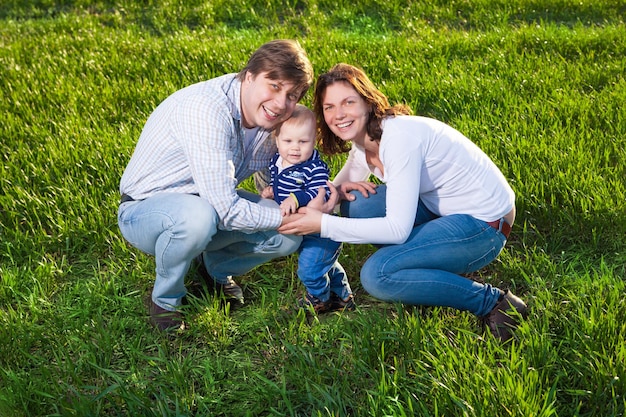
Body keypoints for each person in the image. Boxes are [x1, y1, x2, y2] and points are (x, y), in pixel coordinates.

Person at [279, 63, 528, 342]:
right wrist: (299, 202)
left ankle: (494, 304)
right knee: (356, 202)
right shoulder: (364, 141)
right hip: (440, 211)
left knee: (378, 275)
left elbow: (396, 229)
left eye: (348, 102)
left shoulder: (399, 138)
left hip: (485, 226)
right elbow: (332, 192)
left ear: (367, 102)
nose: (339, 115)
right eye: (329, 107)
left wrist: (323, 224)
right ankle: (421, 271)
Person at [118, 39, 326, 331]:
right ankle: (165, 300)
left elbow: (275, 170)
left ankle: (215, 268)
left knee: (290, 238)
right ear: (249, 75)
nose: (281, 103)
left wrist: (295, 204)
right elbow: (225, 210)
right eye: (274, 86)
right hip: (145, 211)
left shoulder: (275, 118)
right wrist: (286, 217)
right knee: (199, 218)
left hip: (211, 202)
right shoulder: (206, 110)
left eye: (292, 95)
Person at [260, 104, 354, 313]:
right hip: (304, 228)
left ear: (314, 141)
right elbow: (282, 185)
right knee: (324, 264)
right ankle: (342, 296)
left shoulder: (314, 168)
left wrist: (295, 197)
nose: (295, 148)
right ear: (277, 140)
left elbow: (318, 191)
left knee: (310, 270)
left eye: (303, 142)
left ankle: (319, 299)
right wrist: (273, 192)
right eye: (288, 141)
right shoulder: (278, 161)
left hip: (322, 231)